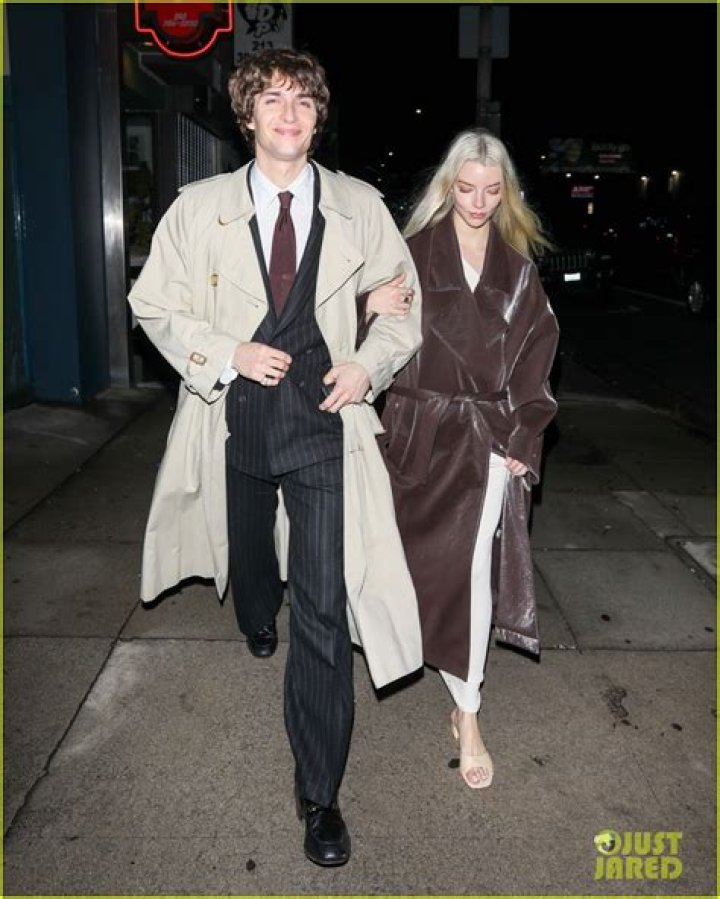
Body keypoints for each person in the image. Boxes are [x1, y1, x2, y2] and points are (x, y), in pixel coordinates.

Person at [128, 47, 423, 867]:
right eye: (272, 100)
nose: (288, 114)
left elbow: (403, 310)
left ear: (318, 117)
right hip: (236, 416)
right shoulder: (199, 209)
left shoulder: (361, 206)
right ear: (247, 116)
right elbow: (153, 302)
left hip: (327, 423)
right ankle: (255, 610)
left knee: (321, 607)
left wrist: (368, 363)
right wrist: (226, 351)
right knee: (251, 553)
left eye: (303, 101)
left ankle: (320, 791)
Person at [363, 128, 559, 790]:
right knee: (411, 568)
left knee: (472, 573)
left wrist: (523, 438)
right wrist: (368, 303)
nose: (478, 203)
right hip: (417, 433)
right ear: (449, 187)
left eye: (491, 190)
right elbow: (365, 332)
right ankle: (411, 656)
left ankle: (468, 711)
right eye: (467, 188)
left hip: (486, 439)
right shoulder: (411, 253)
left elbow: (536, 361)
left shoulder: (519, 271)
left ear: (507, 193)